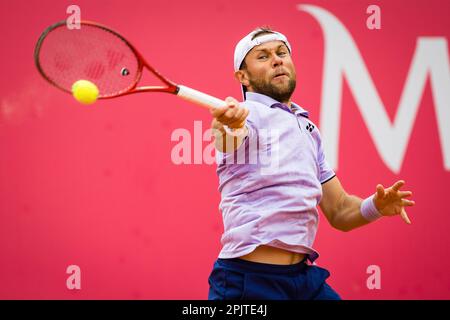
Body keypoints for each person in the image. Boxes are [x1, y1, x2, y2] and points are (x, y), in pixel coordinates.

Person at [207, 27, 415, 300]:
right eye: (263, 56)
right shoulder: (247, 116)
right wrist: (226, 125)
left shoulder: (307, 128)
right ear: (242, 77)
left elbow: (339, 211)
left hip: (304, 281)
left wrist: (375, 206)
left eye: (282, 53)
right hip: (248, 281)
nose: (277, 60)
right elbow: (226, 138)